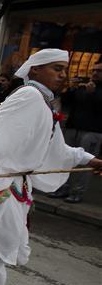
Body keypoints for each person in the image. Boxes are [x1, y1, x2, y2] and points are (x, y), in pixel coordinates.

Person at [0, 49, 102, 285]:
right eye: (56, 68)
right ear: (35, 70)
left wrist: (88, 159)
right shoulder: (29, 96)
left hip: (18, 183)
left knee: (6, 234)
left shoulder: (44, 102)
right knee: (2, 235)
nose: (63, 75)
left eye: (65, 69)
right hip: (3, 181)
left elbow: (55, 146)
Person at [49, 61, 102, 203]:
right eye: (94, 70)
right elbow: (66, 102)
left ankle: (77, 192)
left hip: (92, 131)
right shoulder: (83, 87)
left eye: (99, 71)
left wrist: (93, 94)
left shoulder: (96, 90)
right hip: (73, 128)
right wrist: (71, 89)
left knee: (86, 162)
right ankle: (62, 187)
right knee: (65, 158)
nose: (96, 73)